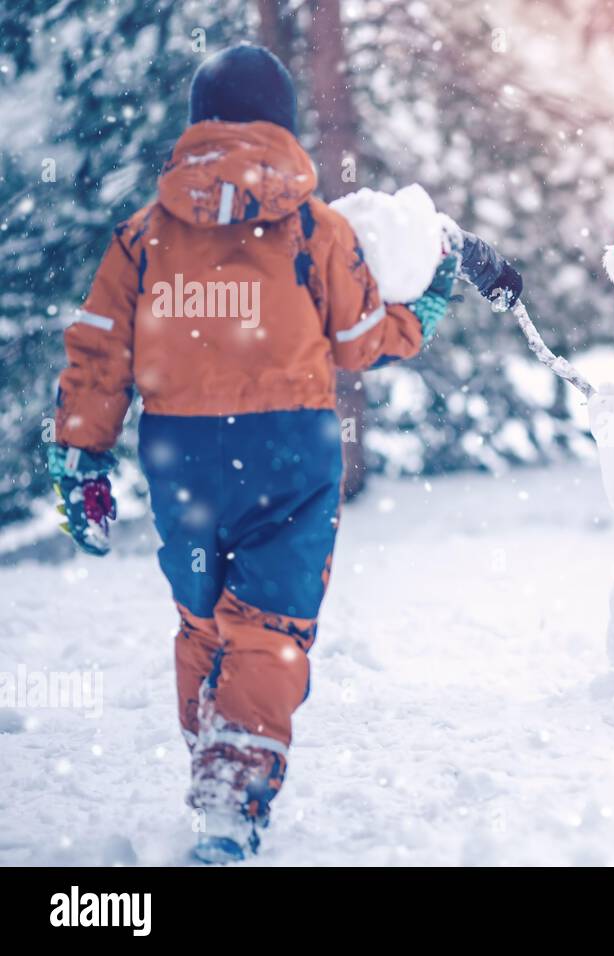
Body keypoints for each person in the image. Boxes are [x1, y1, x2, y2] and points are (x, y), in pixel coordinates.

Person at [49, 43, 520, 861]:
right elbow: (361, 340)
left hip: (180, 452)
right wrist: (429, 307)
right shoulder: (313, 226)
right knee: (269, 623)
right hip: (290, 451)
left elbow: (98, 351)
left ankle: (216, 745)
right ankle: (233, 782)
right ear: (282, 125)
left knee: (202, 613)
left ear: (198, 126)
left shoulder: (143, 236)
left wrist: (81, 456)